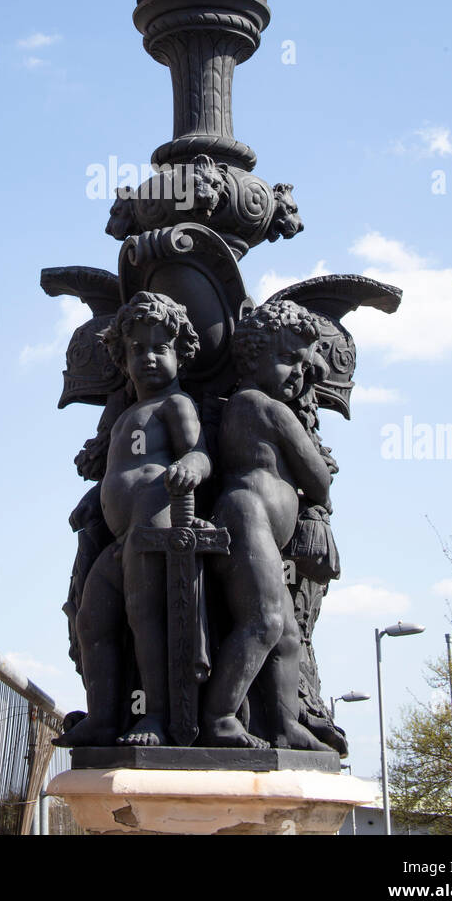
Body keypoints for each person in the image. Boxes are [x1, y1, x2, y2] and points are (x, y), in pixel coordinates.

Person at [54, 291, 210, 748]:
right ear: (121, 357)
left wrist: (191, 468)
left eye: (160, 348)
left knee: (148, 619)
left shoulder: (175, 405)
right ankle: (103, 716)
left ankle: (156, 716)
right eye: (137, 349)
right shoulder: (125, 415)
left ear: (180, 353)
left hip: (154, 527)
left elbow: (199, 453)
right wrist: (93, 500)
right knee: (93, 620)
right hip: (121, 538)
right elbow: (118, 470)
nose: (147, 358)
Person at [201, 298, 332, 750]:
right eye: (287, 360)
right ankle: (219, 716)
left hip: (264, 532)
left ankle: (282, 723)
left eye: (304, 363)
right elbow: (317, 477)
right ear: (253, 356)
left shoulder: (262, 403)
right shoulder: (261, 405)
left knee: (287, 634)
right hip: (246, 516)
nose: (298, 373)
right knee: (263, 621)